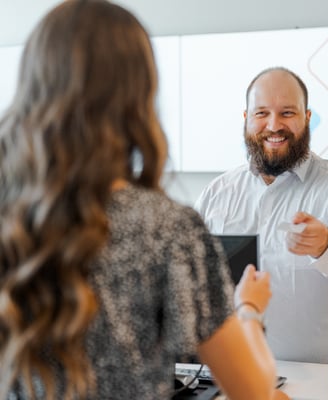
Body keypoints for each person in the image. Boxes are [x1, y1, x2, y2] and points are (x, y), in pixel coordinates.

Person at [0, 2, 289, 400]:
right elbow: (254, 390)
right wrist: (249, 309)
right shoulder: (167, 228)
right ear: (139, 96)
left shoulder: (11, 218)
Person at [195, 66, 328, 364]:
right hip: (237, 375)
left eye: (287, 113)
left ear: (307, 118)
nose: (274, 125)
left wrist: (327, 243)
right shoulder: (216, 193)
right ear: (246, 119)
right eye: (261, 114)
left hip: (327, 378)